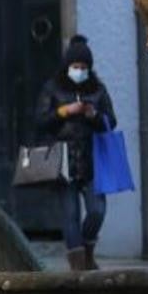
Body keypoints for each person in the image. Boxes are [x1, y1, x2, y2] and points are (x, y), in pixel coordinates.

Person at [36, 35, 118, 271]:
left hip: (93, 159)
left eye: (84, 67)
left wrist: (94, 116)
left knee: (97, 211)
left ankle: (87, 248)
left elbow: (110, 122)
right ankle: (78, 265)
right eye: (76, 67)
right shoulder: (53, 88)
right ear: (67, 66)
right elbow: (40, 121)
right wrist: (64, 111)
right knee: (70, 214)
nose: (80, 71)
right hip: (62, 158)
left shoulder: (98, 90)